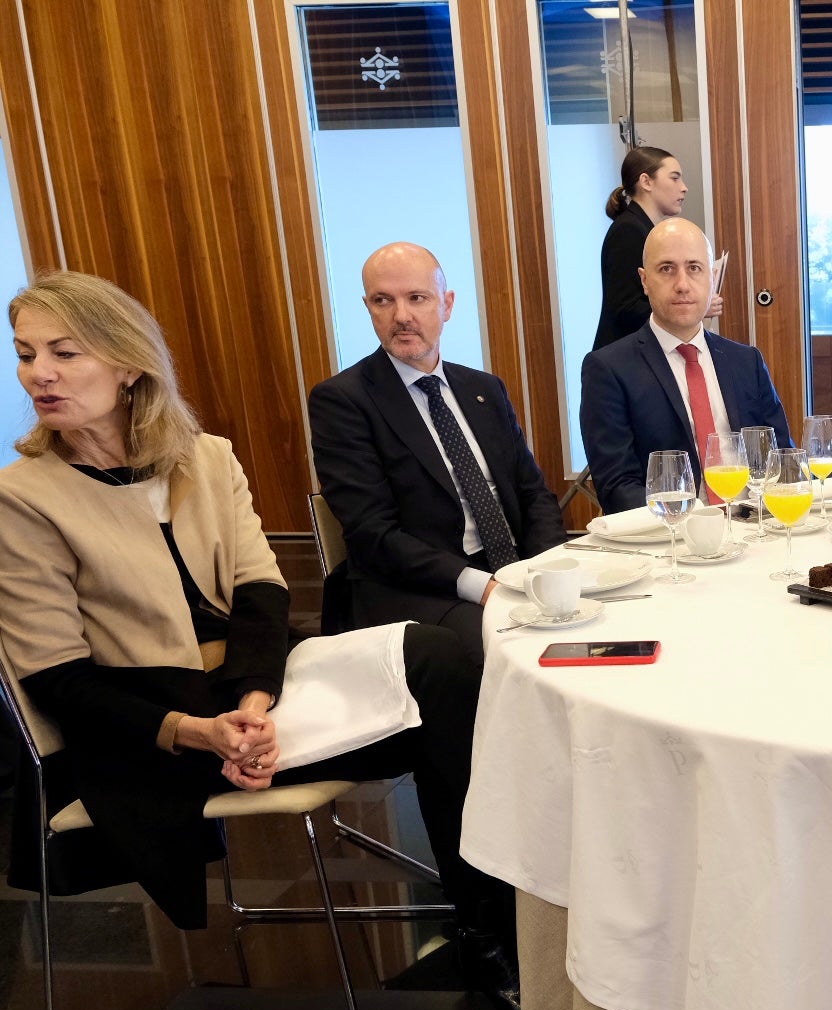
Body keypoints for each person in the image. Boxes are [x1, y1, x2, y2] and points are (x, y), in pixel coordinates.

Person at [0, 272, 517, 1008]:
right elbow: (56, 680)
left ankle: (492, 918)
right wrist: (199, 732)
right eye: (26, 355)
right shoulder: (23, 496)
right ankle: (493, 933)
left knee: (443, 663)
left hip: (250, 691)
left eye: (64, 352)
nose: (40, 374)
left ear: (128, 364)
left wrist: (251, 700)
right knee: (445, 709)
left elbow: (262, 592)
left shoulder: (205, 457)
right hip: (145, 731)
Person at [308, 242, 566, 657]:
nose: (401, 316)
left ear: (446, 305)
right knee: (511, 646)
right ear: (368, 307)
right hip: (417, 586)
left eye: (417, 298)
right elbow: (373, 533)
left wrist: (544, 568)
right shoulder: (343, 401)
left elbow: (532, 493)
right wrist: (484, 587)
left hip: (511, 569)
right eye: (383, 301)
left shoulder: (484, 389)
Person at [580, 217, 793, 512]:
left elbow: (783, 459)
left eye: (694, 268)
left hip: (757, 526)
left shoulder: (746, 361)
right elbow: (618, 489)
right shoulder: (608, 369)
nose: (682, 284)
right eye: (666, 269)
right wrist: (695, 521)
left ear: (711, 278)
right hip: (671, 539)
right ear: (644, 280)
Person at [594, 147, 722, 352]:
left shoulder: (643, 228)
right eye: (674, 178)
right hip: (625, 360)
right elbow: (625, 309)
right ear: (646, 182)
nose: (684, 187)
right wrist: (687, 307)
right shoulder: (628, 229)